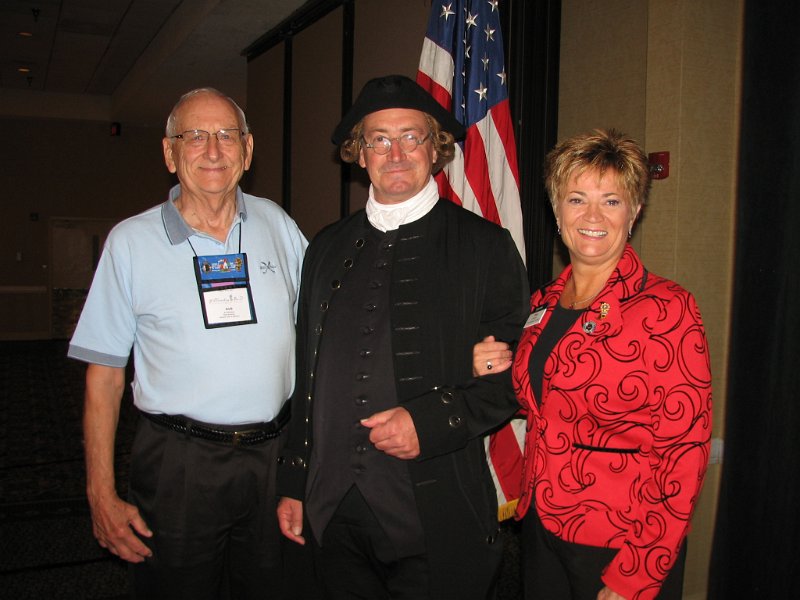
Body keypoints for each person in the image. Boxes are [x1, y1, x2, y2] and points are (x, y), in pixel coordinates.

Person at [275, 74, 530, 599]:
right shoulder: (324, 246)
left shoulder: (485, 246)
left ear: (435, 149)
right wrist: (294, 482)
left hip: (431, 512)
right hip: (332, 509)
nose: (395, 152)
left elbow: (515, 377)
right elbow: (307, 377)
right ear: (359, 152)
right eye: (379, 139)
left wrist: (432, 421)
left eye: (411, 136)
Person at [68, 88, 307, 599]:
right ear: (169, 152)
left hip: (274, 457)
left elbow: (330, 321)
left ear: (248, 150)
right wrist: (100, 492)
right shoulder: (129, 243)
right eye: (194, 136)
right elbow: (104, 378)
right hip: (179, 463)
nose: (213, 150)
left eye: (226, 136)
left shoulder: (279, 225)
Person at [474, 129, 712, 600]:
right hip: (543, 525)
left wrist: (637, 574)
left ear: (635, 211)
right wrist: (498, 367)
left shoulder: (667, 308)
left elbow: (685, 452)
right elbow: (545, 403)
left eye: (612, 201)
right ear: (557, 210)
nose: (592, 216)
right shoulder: (542, 304)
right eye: (577, 198)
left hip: (621, 540)